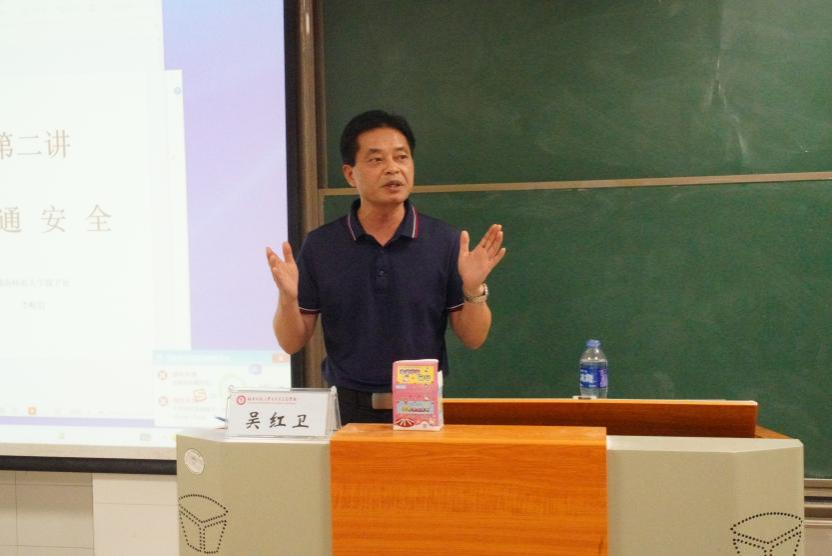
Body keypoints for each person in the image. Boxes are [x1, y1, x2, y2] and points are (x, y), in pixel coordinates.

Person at [266, 110, 506, 424]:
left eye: (401, 157)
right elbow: (291, 341)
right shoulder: (322, 245)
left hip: (421, 406)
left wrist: (473, 288)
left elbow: (473, 338)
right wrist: (288, 298)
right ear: (350, 174)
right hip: (346, 409)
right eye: (376, 160)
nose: (393, 168)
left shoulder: (444, 241)